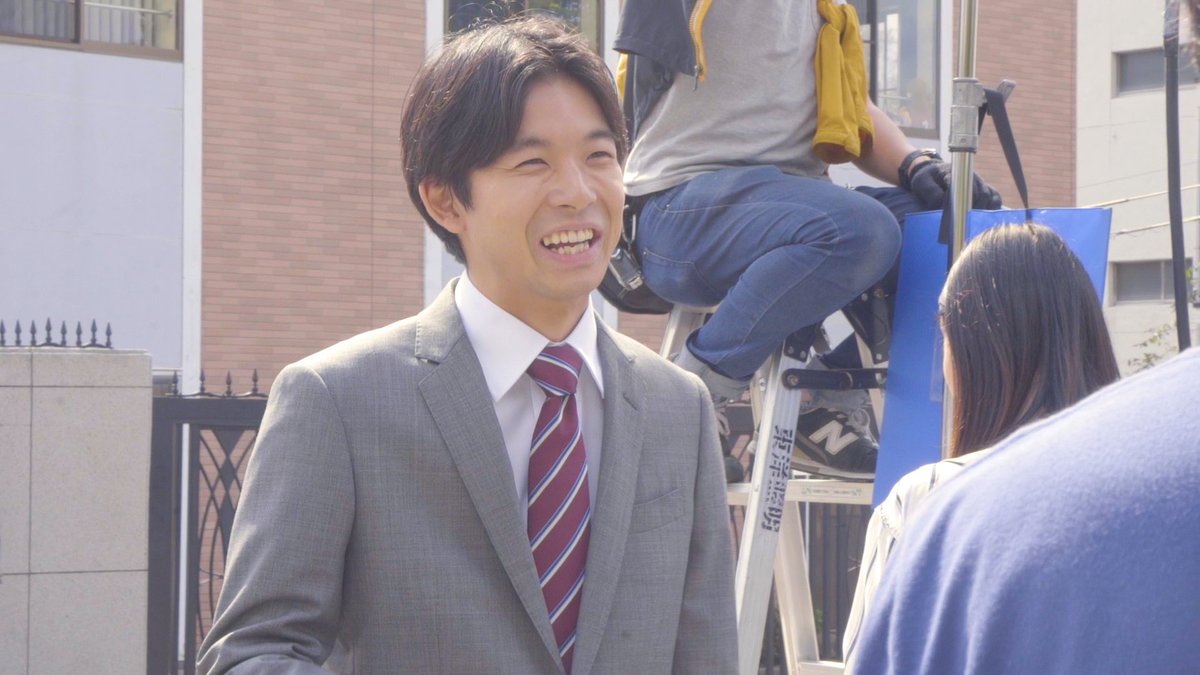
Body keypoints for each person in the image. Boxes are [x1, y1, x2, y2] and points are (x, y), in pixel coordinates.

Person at [198, 16, 737, 674]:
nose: (578, 192)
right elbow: (253, 654)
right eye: (533, 162)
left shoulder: (679, 408)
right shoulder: (337, 401)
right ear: (446, 200)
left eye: (599, 157)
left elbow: (706, 655)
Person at [613, 0, 1003, 480]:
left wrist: (916, 165)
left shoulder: (825, 8)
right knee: (862, 230)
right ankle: (686, 400)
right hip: (681, 211)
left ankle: (820, 401)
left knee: (960, 233)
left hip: (793, 208)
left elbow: (850, 106)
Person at [840, 224, 1120, 671]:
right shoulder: (1153, 490)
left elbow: (871, 664)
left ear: (973, 349)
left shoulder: (930, 499)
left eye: (946, 337)